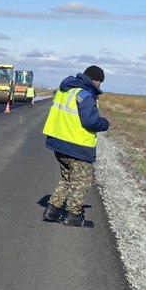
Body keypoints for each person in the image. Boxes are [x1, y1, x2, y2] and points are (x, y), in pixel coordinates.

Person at [42, 65, 110, 227]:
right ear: (95, 80)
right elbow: (90, 121)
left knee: (67, 178)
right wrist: (105, 123)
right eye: (100, 82)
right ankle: (74, 215)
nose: (99, 85)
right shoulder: (85, 95)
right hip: (77, 146)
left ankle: (52, 209)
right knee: (82, 181)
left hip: (59, 143)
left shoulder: (66, 90)